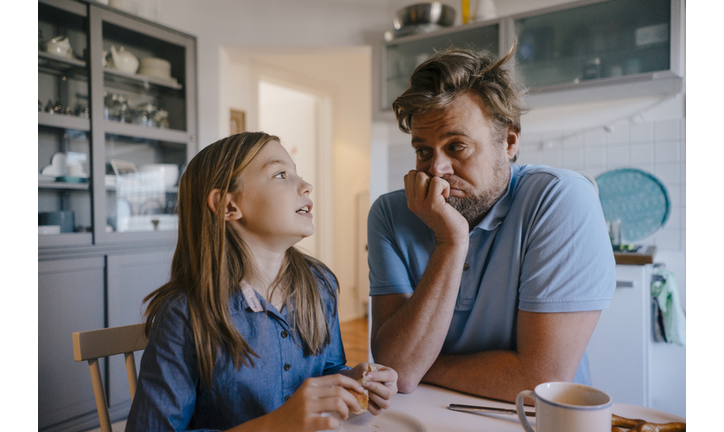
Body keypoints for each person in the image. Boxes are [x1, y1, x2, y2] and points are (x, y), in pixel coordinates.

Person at [367, 46, 616, 403]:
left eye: (457, 146)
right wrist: (450, 242)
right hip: (425, 412)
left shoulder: (561, 198)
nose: (436, 169)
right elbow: (395, 367)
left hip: (534, 421)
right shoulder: (390, 214)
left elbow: (540, 380)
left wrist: (418, 367)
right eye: (423, 150)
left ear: (510, 142)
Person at [126, 132, 398, 432]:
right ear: (229, 206)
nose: (306, 186)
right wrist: (275, 425)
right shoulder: (183, 315)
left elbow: (328, 369)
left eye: (297, 173)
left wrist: (354, 379)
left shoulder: (320, 284)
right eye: (281, 174)